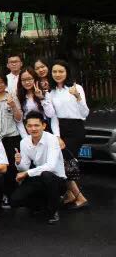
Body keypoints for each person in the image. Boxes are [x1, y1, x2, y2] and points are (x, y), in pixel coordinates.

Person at [11, 111, 67, 224]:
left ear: (44, 126)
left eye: (36, 125)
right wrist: (18, 162)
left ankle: (53, 210)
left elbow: (50, 166)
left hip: (56, 179)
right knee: (15, 200)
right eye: (30, 126)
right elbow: (24, 168)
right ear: (26, 127)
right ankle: (41, 204)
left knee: (46, 175)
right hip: (38, 177)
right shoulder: (24, 142)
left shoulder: (52, 139)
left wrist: (27, 173)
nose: (33, 129)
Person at [49, 59, 90, 209]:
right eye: (54, 71)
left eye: (61, 71)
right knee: (60, 162)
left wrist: (78, 97)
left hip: (75, 128)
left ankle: (80, 197)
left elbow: (85, 114)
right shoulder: (51, 92)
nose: (58, 74)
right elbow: (53, 117)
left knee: (66, 163)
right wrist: (57, 136)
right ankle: (71, 194)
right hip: (61, 128)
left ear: (67, 72)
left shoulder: (76, 87)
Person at [0, 73, 23, 205]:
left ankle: (12, 196)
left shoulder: (12, 97)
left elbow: (19, 118)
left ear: (6, 84)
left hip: (11, 138)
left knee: (12, 168)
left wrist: (13, 105)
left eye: (1, 82)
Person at [16, 67, 58, 138]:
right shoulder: (19, 96)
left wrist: (41, 98)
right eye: (23, 80)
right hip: (28, 130)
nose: (27, 82)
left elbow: (50, 114)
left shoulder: (45, 94)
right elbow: (19, 121)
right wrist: (25, 137)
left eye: (29, 79)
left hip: (43, 129)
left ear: (35, 79)